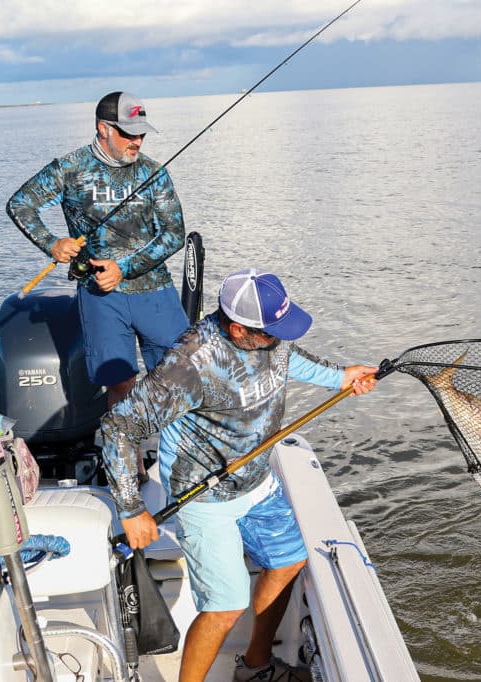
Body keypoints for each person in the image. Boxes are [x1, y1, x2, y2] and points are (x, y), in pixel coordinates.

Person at [99, 268, 378, 682]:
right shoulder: (190, 364)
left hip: (258, 480)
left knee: (288, 562)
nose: (278, 339)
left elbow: (287, 358)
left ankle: (255, 665)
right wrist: (131, 507)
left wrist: (340, 377)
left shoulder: (270, 339)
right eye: (271, 332)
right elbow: (117, 427)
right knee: (225, 606)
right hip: (204, 495)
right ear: (237, 328)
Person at [7, 91, 190, 480]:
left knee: (174, 378)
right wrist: (52, 243)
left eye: (142, 134)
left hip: (155, 291)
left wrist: (125, 267)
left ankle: (180, 462)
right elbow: (20, 204)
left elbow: (174, 234)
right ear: (103, 129)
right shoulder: (69, 169)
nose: (137, 142)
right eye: (128, 134)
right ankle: (130, 465)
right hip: (99, 296)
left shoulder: (153, 172)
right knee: (120, 381)